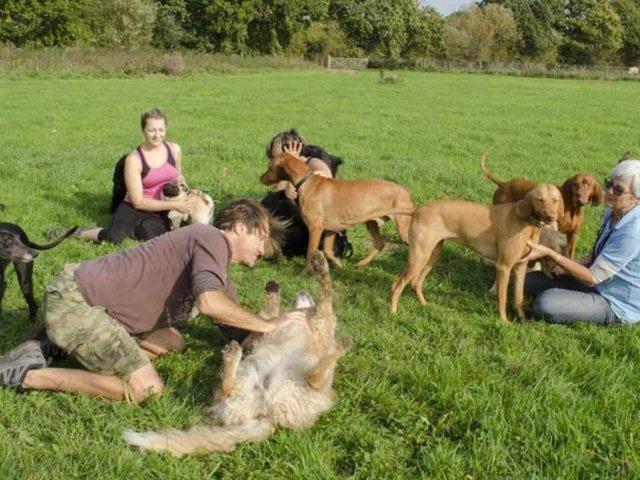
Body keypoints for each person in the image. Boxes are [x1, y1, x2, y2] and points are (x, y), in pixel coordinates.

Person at [0, 198, 305, 403]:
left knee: (173, 339)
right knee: (145, 389)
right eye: (261, 238)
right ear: (240, 227)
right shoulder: (211, 239)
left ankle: (54, 343)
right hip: (76, 303)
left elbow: (241, 334)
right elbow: (211, 303)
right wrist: (268, 322)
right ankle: (26, 375)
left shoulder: (218, 272)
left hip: (91, 303)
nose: (263, 249)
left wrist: (289, 340)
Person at [521, 159, 640, 325]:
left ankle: (601, 312)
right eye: (609, 183)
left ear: (636, 198)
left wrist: (552, 254)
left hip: (614, 301)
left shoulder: (633, 232)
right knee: (528, 281)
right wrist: (569, 265)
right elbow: (598, 256)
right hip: (597, 282)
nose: (609, 191)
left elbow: (592, 277)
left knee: (545, 303)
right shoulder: (614, 211)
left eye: (618, 189)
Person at [78, 108, 195, 243]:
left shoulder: (174, 150)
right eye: (152, 130)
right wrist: (174, 206)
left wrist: (186, 188)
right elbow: (138, 201)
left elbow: (177, 175)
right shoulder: (134, 159)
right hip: (136, 206)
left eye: (161, 130)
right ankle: (82, 232)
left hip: (163, 207)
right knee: (113, 237)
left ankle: (136, 229)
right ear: (143, 130)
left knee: (151, 235)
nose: (157, 135)